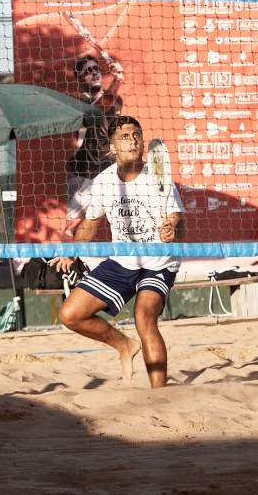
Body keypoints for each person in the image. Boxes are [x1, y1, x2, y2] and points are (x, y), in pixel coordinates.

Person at [52, 116, 185, 389]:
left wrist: (172, 228)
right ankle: (124, 345)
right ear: (112, 146)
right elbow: (88, 226)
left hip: (159, 262)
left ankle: (160, 397)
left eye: (137, 135)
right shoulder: (103, 182)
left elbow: (178, 224)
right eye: (125, 136)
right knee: (70, 314)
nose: (133, 140)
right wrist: (71, 252)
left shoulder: (158, 179)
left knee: (143, 316)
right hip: (123, 261)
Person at [64, 55, 124, 241]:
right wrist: (118, 80)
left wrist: (117, 82)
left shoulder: (116, 99)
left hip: (111, 170)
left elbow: (109, 103)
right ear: (80, 79)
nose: (94, 73)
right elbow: (101, 107)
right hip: (84, 171)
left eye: (96, 69)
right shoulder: (76, 102)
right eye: (87, 71)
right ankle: (68, 260)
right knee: (70, 223)